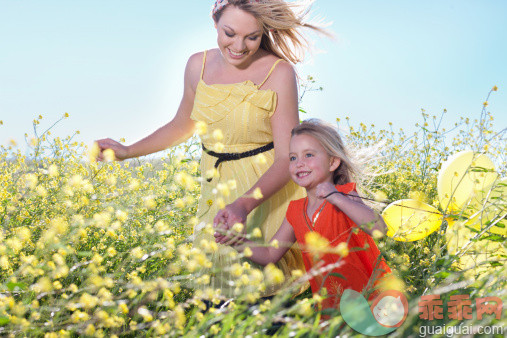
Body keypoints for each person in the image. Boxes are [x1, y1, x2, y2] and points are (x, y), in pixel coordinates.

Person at [96, 0, 327, 297]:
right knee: (215, 290)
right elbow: (182, 125)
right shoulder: (197, 65)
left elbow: (287, 157)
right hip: (216, 187)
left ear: (264, 32)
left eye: (252, 37)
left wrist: (244, 204)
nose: (239, 46)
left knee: (265, 294)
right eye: (229, 33)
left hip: (264, 191)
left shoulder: (279, 72)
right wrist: (128, 150)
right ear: (215, 23)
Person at [219, 119, 392, 309]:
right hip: (333, 310)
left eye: (308, 155)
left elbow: (379, 228)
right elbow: (270, 254)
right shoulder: (295, 211)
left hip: (374, 301)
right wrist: (237, 241)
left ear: (333, 162)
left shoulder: (346, 195)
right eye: (293, 158)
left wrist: (337, 197)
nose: (299, 163)